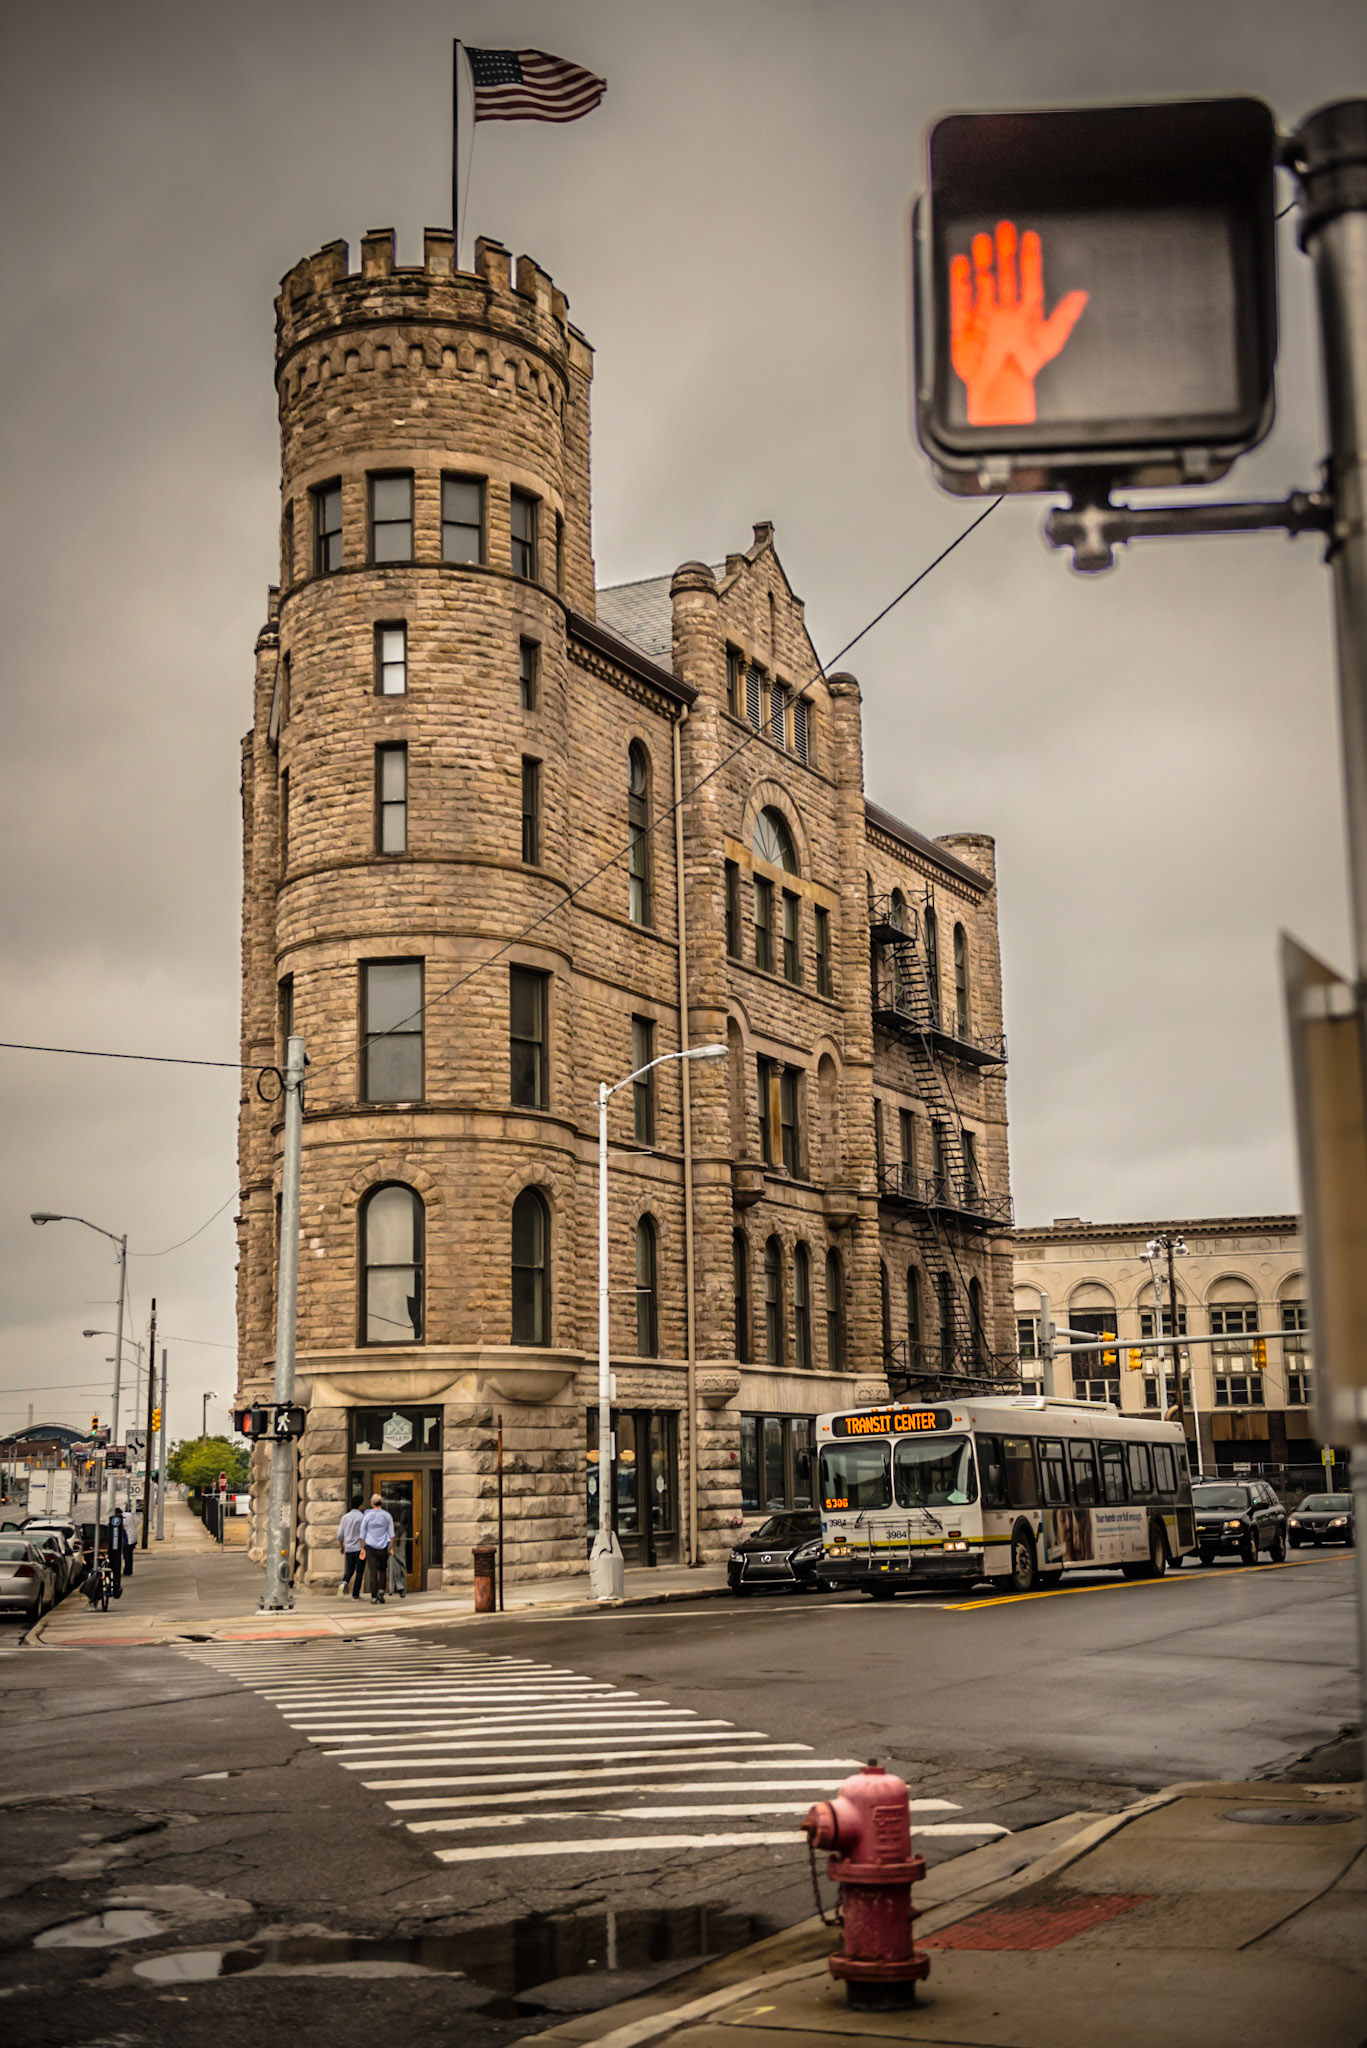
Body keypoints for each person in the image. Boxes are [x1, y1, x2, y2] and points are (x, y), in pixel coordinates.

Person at [359, 1493, 395, 1604]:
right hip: (383, 1546)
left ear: (372, 1503)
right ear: (381, 1503)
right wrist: (391, 1547)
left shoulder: (367, 1516)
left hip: (370, 1546)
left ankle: (374, 1596)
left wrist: (362, 1548)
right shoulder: (387, 1516)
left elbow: (362, 1534)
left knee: (373, 1571)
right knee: (383, 1569)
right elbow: (391, 1534)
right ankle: (381, 1590)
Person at [337, 1502, 364, 1597]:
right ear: (359, 1506)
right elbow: (363, 1534)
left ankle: (344, 1582)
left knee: (350, 1569)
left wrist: (342, 1546)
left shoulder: (345, 1517)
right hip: (359, 1548)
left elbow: (340, 1535)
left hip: (348, 1548)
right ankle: (355, 1594)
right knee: (359, 1571)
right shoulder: (361, 1517)